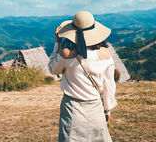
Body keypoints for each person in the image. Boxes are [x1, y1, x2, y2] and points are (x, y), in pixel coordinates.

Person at [48, 11, 117, 142]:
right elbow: (109, 86)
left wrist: (57, 43)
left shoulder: (66, 54)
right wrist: (107, 110)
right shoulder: (105, 55)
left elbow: (52, 69)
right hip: (96, 109)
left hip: (72, 109)